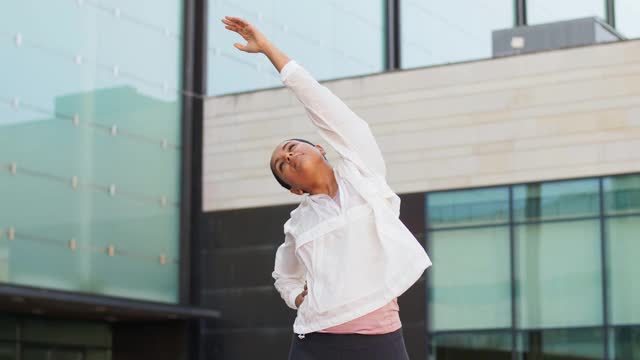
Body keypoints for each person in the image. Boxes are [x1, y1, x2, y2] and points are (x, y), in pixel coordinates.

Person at [222, 16, 432, 360]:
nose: (288, 156)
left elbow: (320, 103)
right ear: (293, 189)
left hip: (380, 338)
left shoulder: (363, 175)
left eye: (292, 147)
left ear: (320, 149)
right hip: (316, 341)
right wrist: (298, 298)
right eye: (281, 164)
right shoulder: (298, 223)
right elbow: (284, 276)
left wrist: (269, 50)